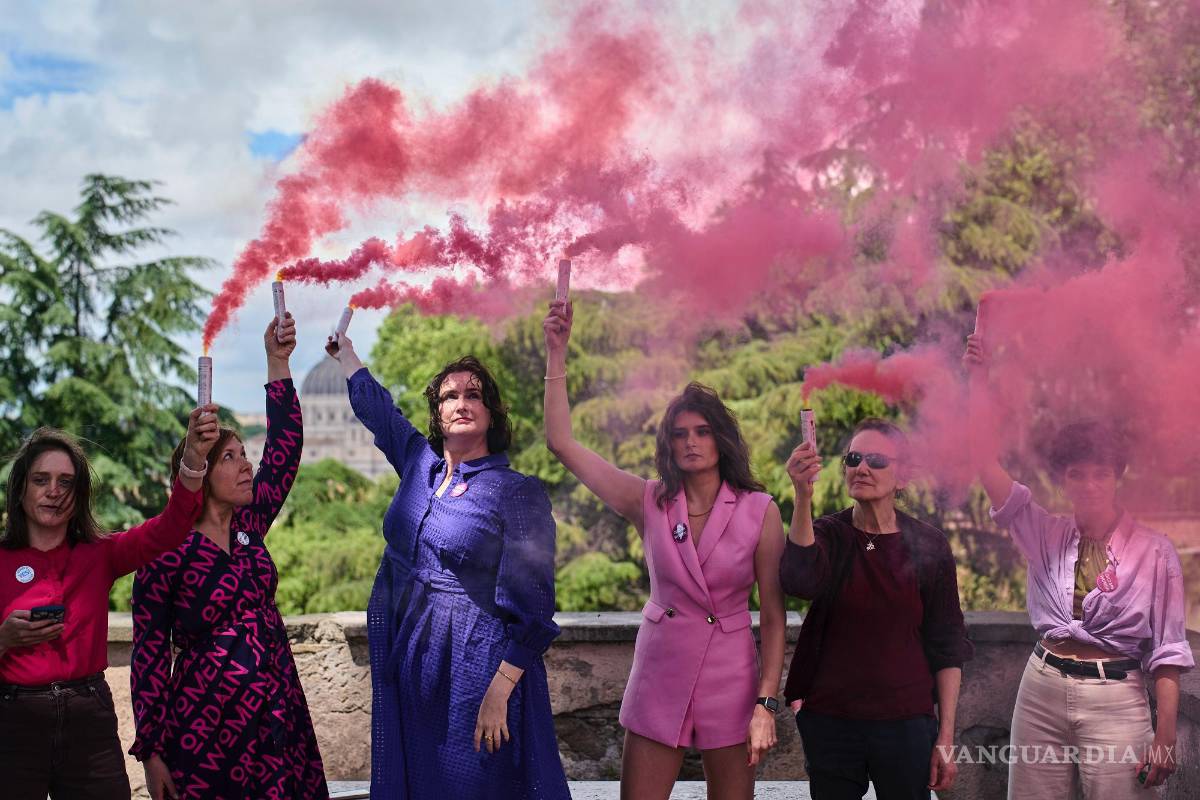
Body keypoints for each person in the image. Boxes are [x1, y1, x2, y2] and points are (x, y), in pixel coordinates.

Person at [542, 299, 787, 800]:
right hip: (660, 671)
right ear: (668, 445)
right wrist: (556, 352)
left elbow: (776, 617)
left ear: (721, 439)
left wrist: (767, 703)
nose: (691, 442)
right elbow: (561, 443)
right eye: (680, 434)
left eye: (702, 432)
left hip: (732, 676)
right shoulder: (648, 499)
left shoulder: (761, 510)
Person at [325, 330, 570, 799]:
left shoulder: (516, 492)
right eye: (450, 396)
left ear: (492, 412)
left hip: (479, 670)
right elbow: (381, 414)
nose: (461, 402)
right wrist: (348, 356)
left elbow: (536, 608)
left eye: (473, 395)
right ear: (438, 413)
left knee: (475, 783)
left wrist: (500, 692)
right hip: (417, 668)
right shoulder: (421, 465)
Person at [964, 333, 1193, 798]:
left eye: (1101, 473)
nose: (1089, 484)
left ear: (1116, 476)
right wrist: (977, 381)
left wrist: (1165, 736)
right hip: (1040, 689)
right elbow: (982, 460)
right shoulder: (1043, 531)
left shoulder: (1155, 552)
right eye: (1077, 474)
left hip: (1117, 700)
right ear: (1063, 480)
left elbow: (1168, 651)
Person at [130, 314, 328, 800]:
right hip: (205, 728)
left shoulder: (250, 524)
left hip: (278, 713)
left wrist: (277, 361)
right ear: (199, 470)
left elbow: (285, 446)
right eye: (231, 458)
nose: (248, 465)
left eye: (244, 454)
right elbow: (150, 653)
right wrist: (152, 752)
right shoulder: (164, 551)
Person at [0, 410, 216, 799]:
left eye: (66, 482)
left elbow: (171, 526)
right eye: (41, 480)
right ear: (20, 490)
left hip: (89, 721)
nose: (54, 491)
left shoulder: (101, 554)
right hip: (13, 720)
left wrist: (195, 459)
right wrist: (4, 639)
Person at [781, 418, 971, 800]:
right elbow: (799, 582)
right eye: (853, 458)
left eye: (876, 461)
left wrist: (945, 736)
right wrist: (802, 496)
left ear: (903, 476)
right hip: (831, 721)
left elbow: (947, 643)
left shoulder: (928, 545)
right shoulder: (830, 534)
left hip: (906, 724)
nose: (861, 468)